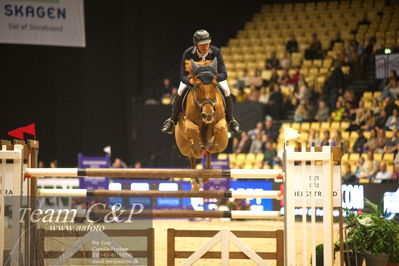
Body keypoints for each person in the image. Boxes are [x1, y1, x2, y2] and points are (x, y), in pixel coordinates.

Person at [161, 29, 241, 134]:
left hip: (212, 80)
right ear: (196, 45)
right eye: (202, 44)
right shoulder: (188, 53)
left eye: (207, 43)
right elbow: (182, 75)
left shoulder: (216, 52)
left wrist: (215, 79)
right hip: (194, 80)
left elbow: (224, 73)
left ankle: (231, 120)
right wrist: (189, 81)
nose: (205, 46)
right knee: (180, 91)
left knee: (226, 90)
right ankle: (173, 120)